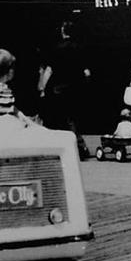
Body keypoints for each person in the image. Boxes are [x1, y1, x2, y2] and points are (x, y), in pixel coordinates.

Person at [38, 20, 91, 158]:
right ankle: (79, 146)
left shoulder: (55, 48)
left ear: (62, 31)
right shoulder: (79, 48)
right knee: (73, 118)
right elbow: (87, 73)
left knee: (58, 119)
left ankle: (61, 148)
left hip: (58, 89)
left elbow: (49, 70)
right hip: (75, 88)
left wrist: (42, 88)